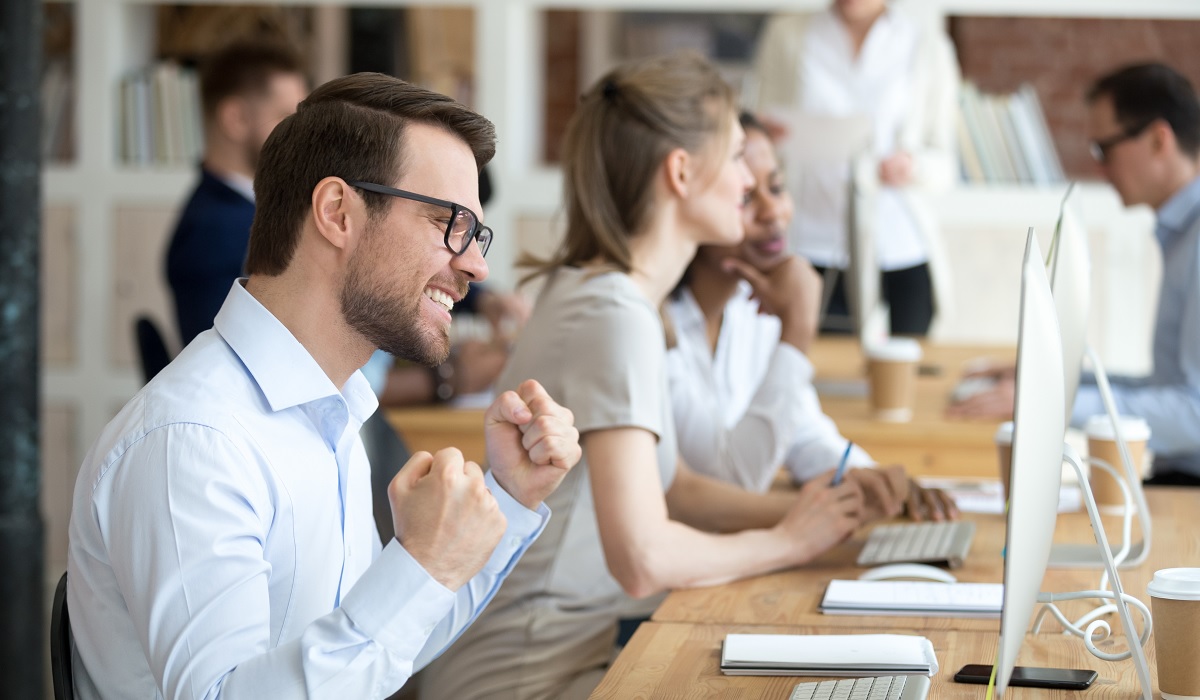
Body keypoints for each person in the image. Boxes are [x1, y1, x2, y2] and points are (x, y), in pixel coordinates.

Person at [66, 72, 583, 699]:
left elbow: (374, 652)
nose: (477, 264)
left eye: (475, 233)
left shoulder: (327, 409)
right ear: (338, 213)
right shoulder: (194, 442)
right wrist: (422, 563)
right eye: (449, 222)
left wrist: (508, 499)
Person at [420, 52, 910, 700]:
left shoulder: (614, 299)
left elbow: (674, 490)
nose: (749, 184)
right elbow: (643, 559)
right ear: (681, 172)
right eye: (738, 158)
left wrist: (828, 516)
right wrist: (788, 539)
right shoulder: (613, 313)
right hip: (523, 680)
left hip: (574, 659)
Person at [668, 112, 959, 518]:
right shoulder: (659, 323)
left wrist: (866, 476)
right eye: (747, 197)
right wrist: (799, 329)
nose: (774, 213)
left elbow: (802, 432)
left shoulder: (749, 310)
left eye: (777, 187)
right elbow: (731, 483)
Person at [950, 62, 1200, 485]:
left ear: (1159, 140)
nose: (1099, 169)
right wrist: (1051, 379)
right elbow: (1169, 385)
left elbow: (1194, 414)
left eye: (1106, 149)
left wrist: (1048, 400)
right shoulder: (1183, 234)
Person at [749, 0, 960, 336]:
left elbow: (945, 164)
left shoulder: (926, 44)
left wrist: (912, 166)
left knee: (906, 366)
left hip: (896, 241)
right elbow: (757, 129)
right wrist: (763, 137)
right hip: (809, 239)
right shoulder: (787, 34)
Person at [166, 41, 307, 346]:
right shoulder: (215, 230)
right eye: (287, 119)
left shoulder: (241, 214)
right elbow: (243, 358)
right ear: (237, 119)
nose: (301, 138)